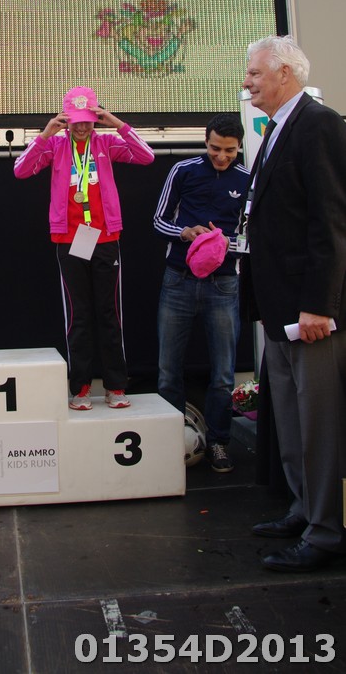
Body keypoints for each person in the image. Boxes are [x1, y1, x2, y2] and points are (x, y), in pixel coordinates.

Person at [242, 35, 346, 572]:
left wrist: (319, 305)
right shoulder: (276, 130)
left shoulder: (319, 125)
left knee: (320, 426)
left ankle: (328, 532)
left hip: (309, 313)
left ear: (285, 73)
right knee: (290, 417)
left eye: (255, 73)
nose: (247, 83)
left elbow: (331, 223)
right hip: (278, 308)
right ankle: (304, 509)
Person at [14, 86, 154, 409]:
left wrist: (117, 124)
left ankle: (116, 386)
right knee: (78, 315)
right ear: (65, 119)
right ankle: (80, 388)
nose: (81, 127)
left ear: (96, 118)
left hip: (105, 239)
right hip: (70, 239)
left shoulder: (106, 143)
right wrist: (46, 134)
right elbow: (20, 170)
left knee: (109, 313)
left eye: (87, 120)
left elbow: (146, 156)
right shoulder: (56, 146)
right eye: (75, 120)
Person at [154, 114, 250, 472]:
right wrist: (185, 233)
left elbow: (254, 236)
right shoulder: (183, 170)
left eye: (229, 151)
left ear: (239, 148)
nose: (221, 156)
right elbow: (158, 220)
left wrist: (225, 243)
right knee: (168, 369)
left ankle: (219, 443)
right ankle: (169, 442)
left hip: (223, 284)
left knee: (223, 373)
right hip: (178, 279)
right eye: (214, 148)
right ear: (205, 142)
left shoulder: (248, 179)